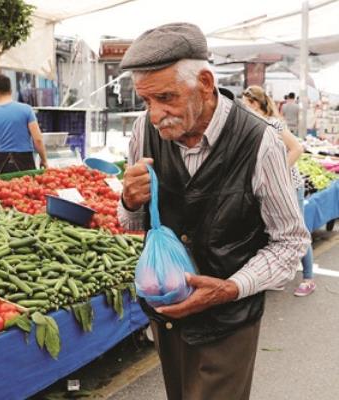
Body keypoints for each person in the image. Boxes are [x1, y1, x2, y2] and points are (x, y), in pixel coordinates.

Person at [117, 23, 310, 399]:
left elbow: (290, 241)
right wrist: (130, 200)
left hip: (229, 320)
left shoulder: (260, 141)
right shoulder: (144, 130)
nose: (156, 114)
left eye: (166, 98)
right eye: (146, 101)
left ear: (205, 83)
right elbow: (133, 223)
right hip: (168, 312)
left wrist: (231, 288)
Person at [242, 86, 316, 296]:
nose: (244, 109)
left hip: (290, 186)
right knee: (274, 230)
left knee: (296, 230)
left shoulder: (273, 124)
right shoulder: (253, 126)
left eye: (247, 105)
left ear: (256, 104)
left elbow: (297, 149)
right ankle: (279, 276)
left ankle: (309, 278)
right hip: (270, 188)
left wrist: (278, 174)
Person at [0, 74, 48, 174]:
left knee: (5, 189)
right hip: (25, 162)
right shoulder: (26, 110)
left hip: (3, 163)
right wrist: (44, 160)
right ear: (10, 90)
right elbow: (38, 140)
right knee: (28, 188)